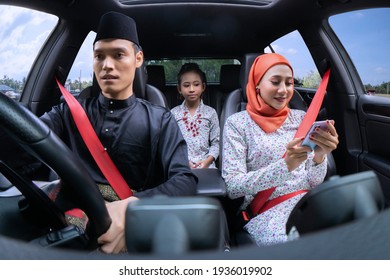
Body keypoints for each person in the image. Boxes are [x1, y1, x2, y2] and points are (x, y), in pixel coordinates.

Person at [38, 12, 197, 253]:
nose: (107, 65)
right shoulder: (69, 111)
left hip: (138, 230)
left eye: (118, 54)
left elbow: (184, 181)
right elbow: (28, 142)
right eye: (99, 56)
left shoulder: (160, 119)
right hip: (70, 232)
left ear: (138, 58)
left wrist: (132, 207)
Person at [221, 53, 339, 246]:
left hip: (309, 202)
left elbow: (312, 181)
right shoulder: (238, 123)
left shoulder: (302, 118)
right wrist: (285, 166)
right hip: (267, 211)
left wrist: (320, 156)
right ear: (257, 83)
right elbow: (233, 187)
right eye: (275, 82)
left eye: (289, 83)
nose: (284, 91)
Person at [171, 63, 220, 169]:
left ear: (203, 87)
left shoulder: (210, 113)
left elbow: (216, 143)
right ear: (179, 89)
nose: (191, 89)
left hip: (207, 165)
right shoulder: (173, 114)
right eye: (186, 85)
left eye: (196, 84)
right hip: (181, 164)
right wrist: (184, 161)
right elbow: (172, 144)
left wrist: (207, 161)